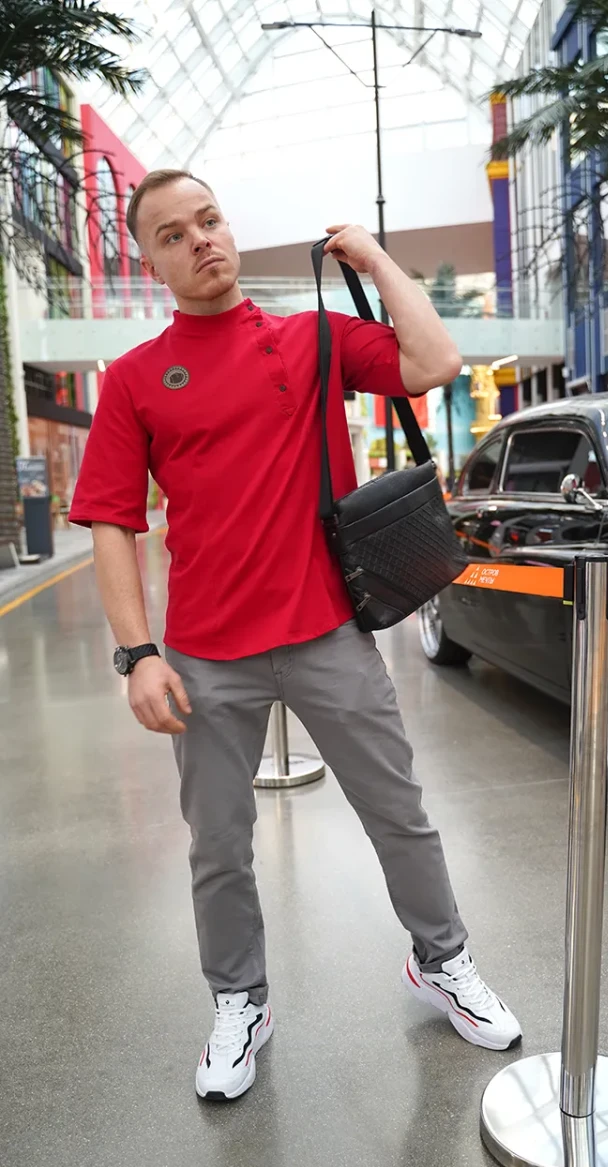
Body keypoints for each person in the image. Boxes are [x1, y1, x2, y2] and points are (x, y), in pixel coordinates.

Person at [70, 169, 521, 1103]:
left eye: (209, 220)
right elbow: (112, 520)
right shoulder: (136, 379)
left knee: (398, 813)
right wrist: (138, 654)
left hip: (328, 633)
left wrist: (374, 259)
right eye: (173, 234)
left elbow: (435, 361)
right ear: (151, 263)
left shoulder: (311, 336)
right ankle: (240, 1001)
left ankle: (442, 961)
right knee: (217, 843)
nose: (200, 239)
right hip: (204, 655)